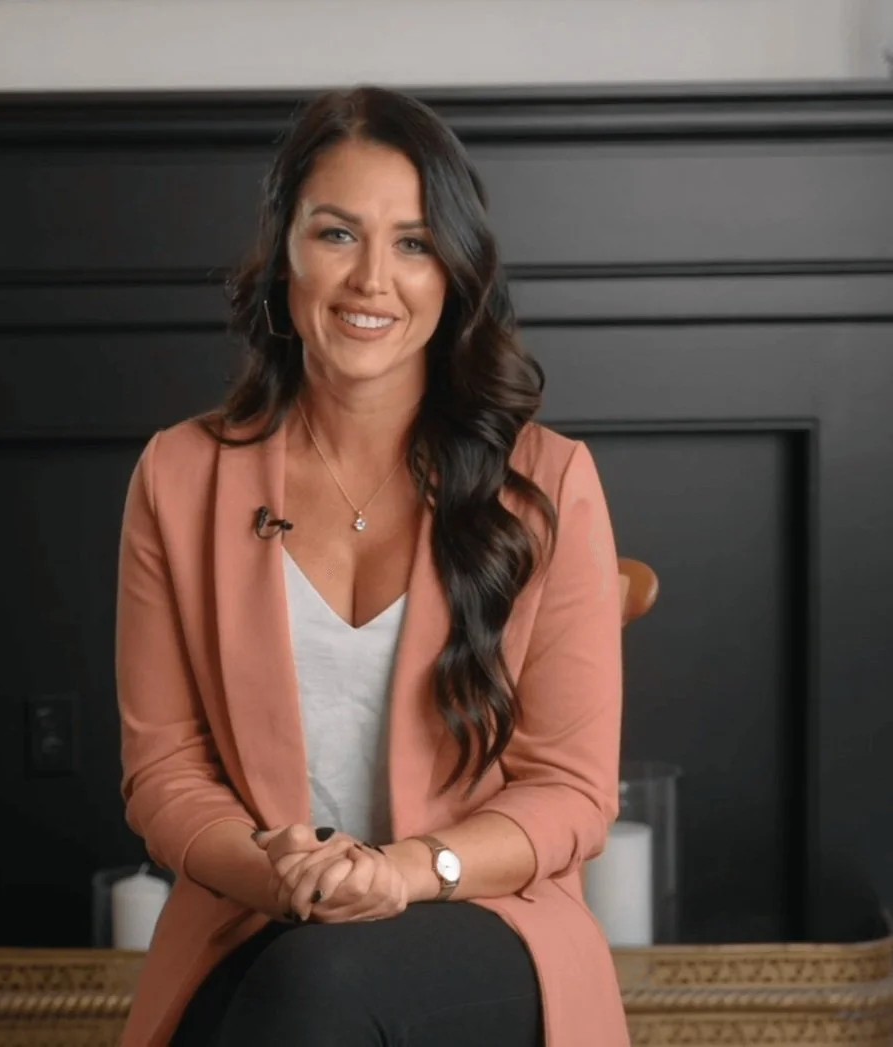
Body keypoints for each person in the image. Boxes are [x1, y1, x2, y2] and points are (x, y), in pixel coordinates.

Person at [115, 85, 629, 1047]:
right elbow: (165, 772)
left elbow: (569, 788)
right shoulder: (179, 475)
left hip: (485, 912)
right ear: (283, 257)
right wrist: (286, 876)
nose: (371, 283)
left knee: (314, 996)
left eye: (413, 242)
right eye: (337, 235)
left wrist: (403, 870)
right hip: (252, 918)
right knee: (291, 993)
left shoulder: (549, 481)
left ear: (453, 271)